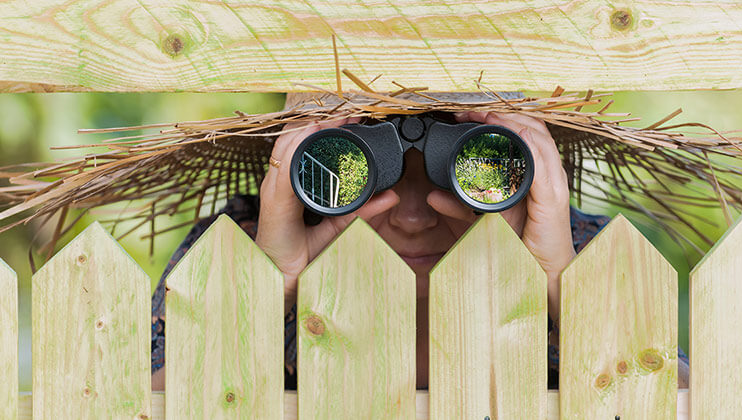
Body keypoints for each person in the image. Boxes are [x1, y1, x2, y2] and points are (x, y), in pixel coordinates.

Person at [150, 107, 690, 391]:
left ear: (526, 169)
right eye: (351, 173)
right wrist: (270, 283)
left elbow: (686, 399)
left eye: (471, 170)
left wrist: (556, 281)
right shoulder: (236, 247)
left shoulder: (580, 250)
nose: (411, 217)